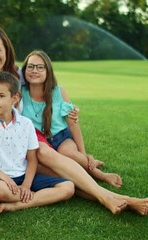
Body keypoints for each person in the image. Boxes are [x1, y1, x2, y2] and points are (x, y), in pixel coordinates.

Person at [0, 26, 148, 215]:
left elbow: (46, 83)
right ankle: (121, 200)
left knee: (52, 161)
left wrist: (69, 109)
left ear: (7, 50)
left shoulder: (19, 75)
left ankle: (113, 199)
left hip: (23, 139)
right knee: (65, 177)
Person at [0, 71, 74, 216]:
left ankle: (17, 205)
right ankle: (38, 197)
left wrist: (27, 185)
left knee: (68, 187)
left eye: (0, 96)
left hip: (23, 175)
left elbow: (32, 159)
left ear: (15, 98)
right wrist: (0, 174)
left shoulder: (26, 124)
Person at [21, 50, 122, 188]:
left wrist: (83, 154)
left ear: (48, 71)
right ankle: (85, 164)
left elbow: (73, 124)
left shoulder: (58, 92)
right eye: (30, 66)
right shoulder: (20, 94)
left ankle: (101, 174)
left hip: (61, 137)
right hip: (40, 144)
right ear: (25, 70)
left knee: (67, 152)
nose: (34, 70)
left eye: (40, 67)